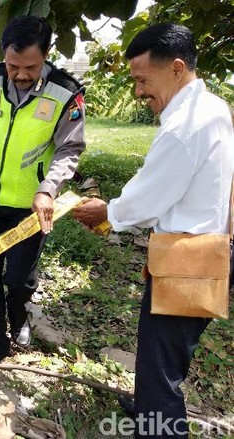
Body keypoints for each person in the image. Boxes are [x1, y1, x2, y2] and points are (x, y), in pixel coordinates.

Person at [73, 23, 233, 436]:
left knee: (161, 364)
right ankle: (148, 407)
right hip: (205, 248)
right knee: (163, 353)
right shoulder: (213, 107)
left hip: (186, 259)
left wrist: (106, 212)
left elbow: (147, 198)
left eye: (143, 79)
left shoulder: (185, 127)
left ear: (177, 68)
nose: (139, 92)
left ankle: (157, 424)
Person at [0, 16, 86, 364]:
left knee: (20, 279)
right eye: (14, 66)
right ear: (3, 55)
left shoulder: (66, 91)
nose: (22, 75)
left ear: (46, 56)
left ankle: (20, 316)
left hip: (31, 206)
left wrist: (48, 189)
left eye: (31, 67)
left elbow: (70, 148)